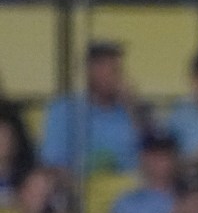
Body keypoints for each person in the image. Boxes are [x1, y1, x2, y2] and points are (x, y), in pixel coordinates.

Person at [39, 41, 141, 175]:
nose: (115, 77)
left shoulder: (132, 110)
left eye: (117, 70)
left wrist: (133, 109)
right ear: (88, 71)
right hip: (80, 189)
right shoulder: (65, 110)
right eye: (109, 70)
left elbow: (153, 155)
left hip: (130, 190)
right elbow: (53, 163)